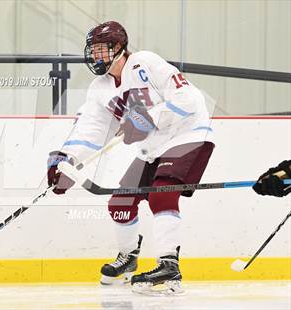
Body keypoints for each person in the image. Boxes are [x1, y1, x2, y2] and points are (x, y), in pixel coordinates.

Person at [47, 21, 215, 295]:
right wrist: (67, 159)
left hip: (188, 134)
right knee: (120, 203)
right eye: (93, 51)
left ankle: (169, 264)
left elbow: (189, 99)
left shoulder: (144, 63)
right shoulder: (99, 88)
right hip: (153, 148)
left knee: (162, 193)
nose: (95, 56)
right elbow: (91, 130)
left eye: (102, 50)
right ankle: (128, 259)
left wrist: (148, 118)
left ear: (119, 48)